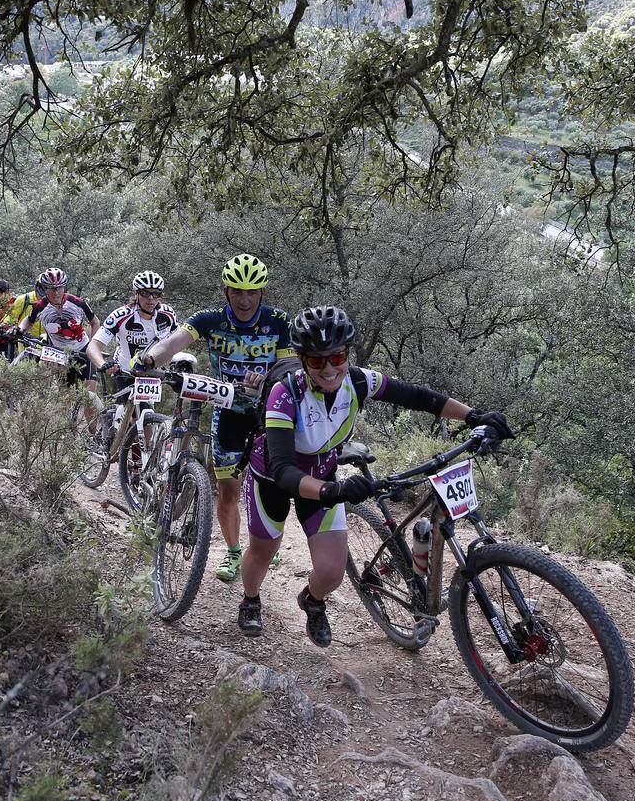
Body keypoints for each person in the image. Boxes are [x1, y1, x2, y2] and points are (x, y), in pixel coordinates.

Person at [235, 305, 514, 646]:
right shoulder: (285, 393)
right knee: (264, 550)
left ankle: (313, 600)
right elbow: (282, 470)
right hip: (272, 481)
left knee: (331, 572)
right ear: (303, 359)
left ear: (346, 354)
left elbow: (420, 397)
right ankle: (250, 598)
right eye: (317, 360)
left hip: (322, 472)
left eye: (336, 357)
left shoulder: (358, 380)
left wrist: (474, 416)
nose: (328, 368)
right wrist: (332, 492)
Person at [132, 254, 294, 583]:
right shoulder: (211, 319)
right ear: (226, 291)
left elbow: (289, 367)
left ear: (262, 292)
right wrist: (149, 357)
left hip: (270, 414)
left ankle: (262, 551)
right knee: (229, 489)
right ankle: (235, 553)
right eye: (237, 291)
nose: (245, 299)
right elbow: (174, 342)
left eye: (252, 292)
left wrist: (266, 380)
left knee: (270, 490)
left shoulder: (278, 321)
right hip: (229, 410)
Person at [14, 267, 102, 385]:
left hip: (83, 349)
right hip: (59, 354)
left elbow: (95, 322)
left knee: (90, 392)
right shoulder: (40, 306)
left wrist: (93, 347)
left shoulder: (77, 302)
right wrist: (19, 329)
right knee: (65, 395)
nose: (56, 292)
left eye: (59, 287)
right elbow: (29, 321)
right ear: (45, 288)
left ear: (64, 287)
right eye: (52, 288)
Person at [85, 270, 179, 376]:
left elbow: (178, 342)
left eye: (156, 294)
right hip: (125, 374)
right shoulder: (120, 316)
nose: (151, 298)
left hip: (156, 374)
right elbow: (93, 347)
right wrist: (103, 364)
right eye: (145, 293)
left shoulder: (168, 314)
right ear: (136, 294)